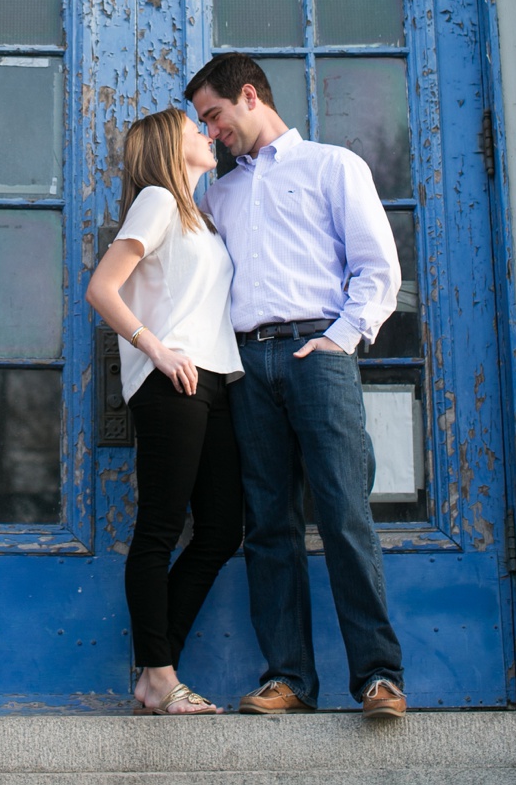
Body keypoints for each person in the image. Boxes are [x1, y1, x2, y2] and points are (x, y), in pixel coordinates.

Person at [185, 53, 407, 721]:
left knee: (343, 512)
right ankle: (288, 678)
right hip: (246, 365)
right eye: (203, 122)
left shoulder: (334, 167)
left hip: (320, 353)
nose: (211, 129)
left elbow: (378, 268)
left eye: (214, 115)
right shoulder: (216, 194)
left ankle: (377, 676)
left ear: (248, 95)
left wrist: (341, 338)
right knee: (269, 526)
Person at [86, 108, 244, 715]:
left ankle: (157, 669)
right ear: (168, 147)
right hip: (170, 380)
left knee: (222, 529)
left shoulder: (199, 217)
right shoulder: (156, 200)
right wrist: (155, 347)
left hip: (215, 379)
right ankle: (159, 673)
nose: (207, 133)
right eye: (193, 128)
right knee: (157, 529)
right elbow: (103, 287)